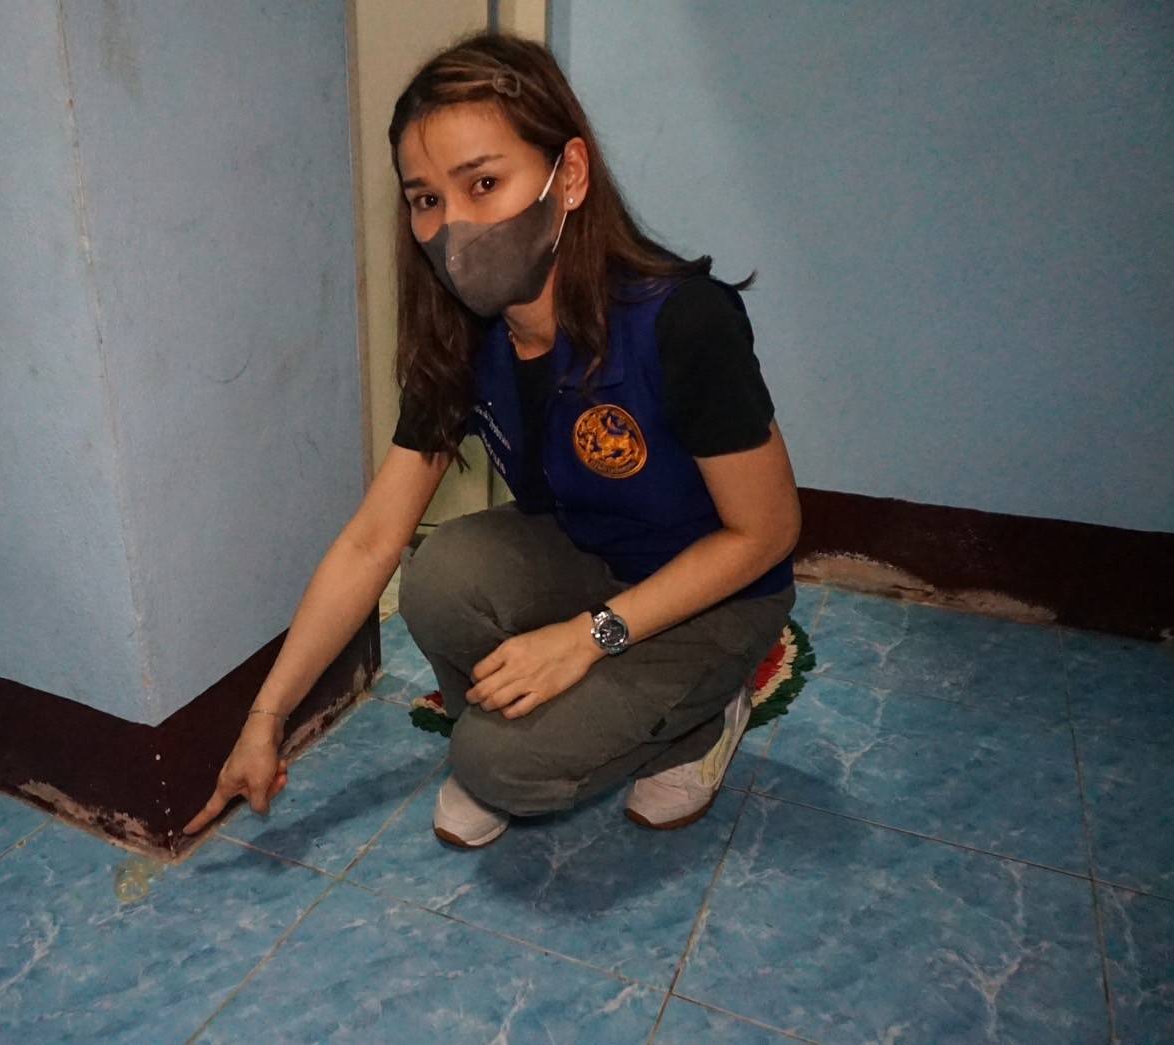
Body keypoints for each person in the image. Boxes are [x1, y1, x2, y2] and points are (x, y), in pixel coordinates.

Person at [183, 33, 798, 848]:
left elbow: (767, 532)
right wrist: (265, 717)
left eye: (482, 182)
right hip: (594, 553)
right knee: (438, 579)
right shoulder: (465, 338)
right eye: (425, 199)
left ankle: (696, 723)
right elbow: (372, 540)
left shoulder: (681, 320)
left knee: (500, 765)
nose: (454, 226)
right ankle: (557, 718)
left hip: (717, 595)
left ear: (567, 176)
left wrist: (589, 637)